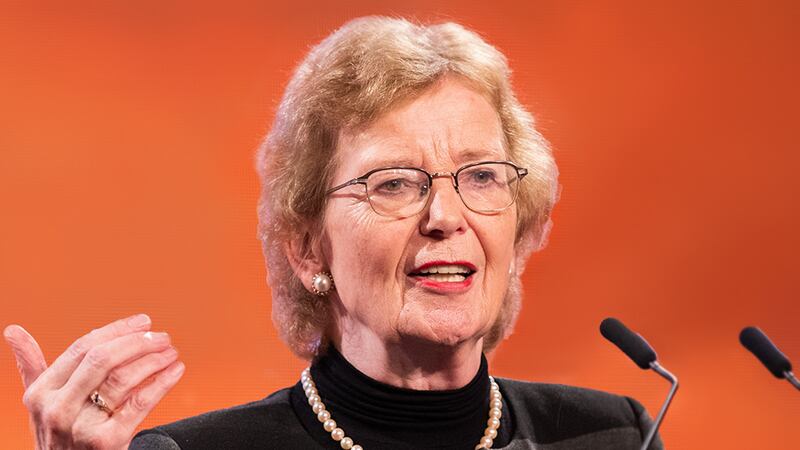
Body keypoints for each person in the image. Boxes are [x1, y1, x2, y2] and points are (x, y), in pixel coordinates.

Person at [3, 16, 663, 450]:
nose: (446, 215)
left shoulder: (612, 435)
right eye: (395, 183)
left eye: (483, 176)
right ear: (307, 248)